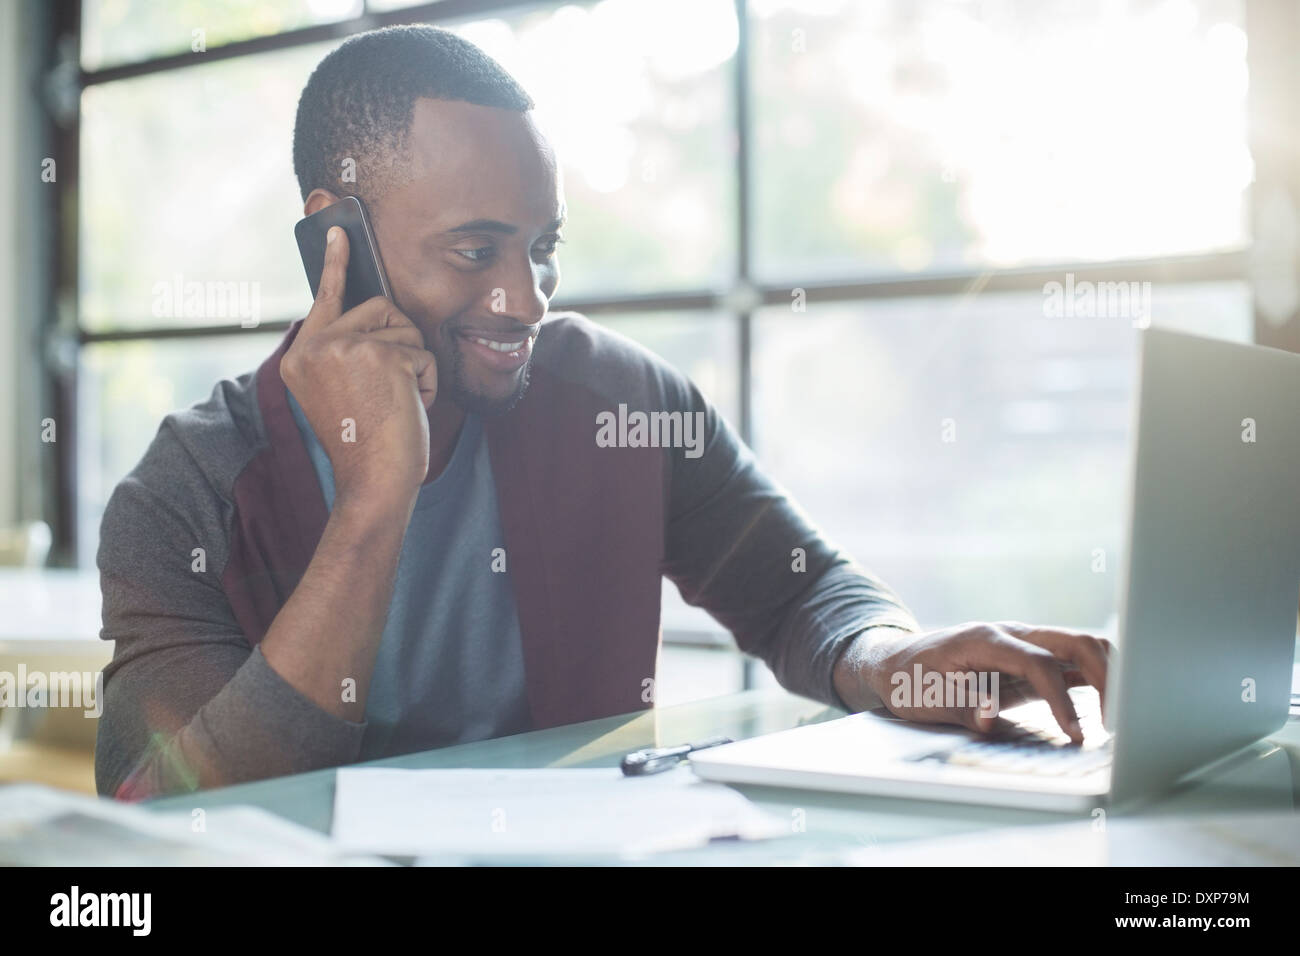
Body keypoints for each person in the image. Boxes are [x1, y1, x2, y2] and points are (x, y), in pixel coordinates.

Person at [95, 25, 1110, 800]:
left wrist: (894, 656)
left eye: (542, 249)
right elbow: (169, 813)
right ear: (335, 239)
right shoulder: (184, 491)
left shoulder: (616, 401)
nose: (526, 298)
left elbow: (800, 593)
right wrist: (374, 497)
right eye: (474, 251)